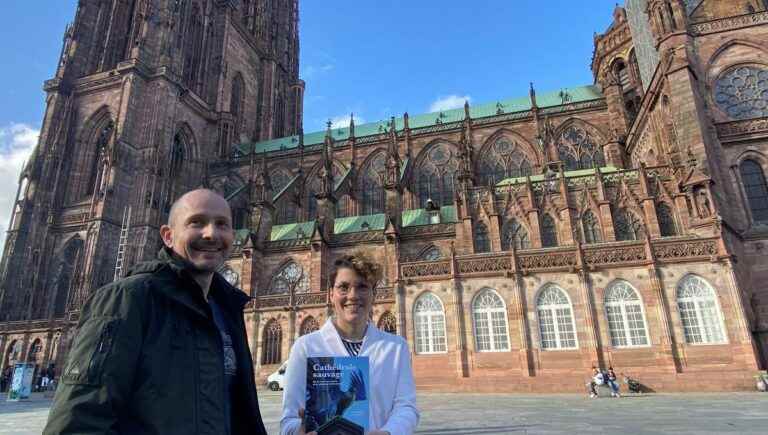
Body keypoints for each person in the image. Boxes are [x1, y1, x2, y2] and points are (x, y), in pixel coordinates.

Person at [44, 189, 268, 435]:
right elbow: (77, 423)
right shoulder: (126, 299)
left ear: (232, 236)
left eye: (222, 224)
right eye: (197, 222)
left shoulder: (227, 310)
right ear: (168, 236)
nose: (211, 233)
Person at [281, 253, 420, 435]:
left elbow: (407, 408)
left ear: (374, 294)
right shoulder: (305, 347)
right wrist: (297, 431)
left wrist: (389, 432)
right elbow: (289, 419)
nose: (353, 296)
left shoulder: (395, 347)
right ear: (331, 294)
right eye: (343, 287)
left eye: (362, 287)